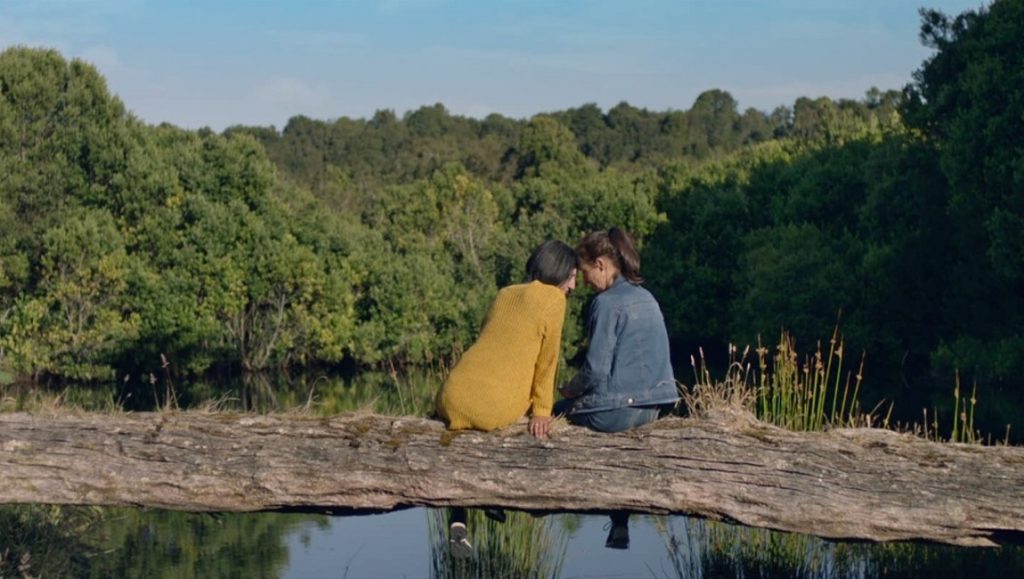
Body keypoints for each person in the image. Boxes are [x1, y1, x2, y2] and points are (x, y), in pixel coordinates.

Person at [437, 239, 577, 558]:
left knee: (463, 433)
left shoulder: (504, 293)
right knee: (504, 419)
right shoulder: (553, 300)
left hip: (452, 393)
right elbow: (547, 361)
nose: (572, 286)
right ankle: (495, 500)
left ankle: (460, 518)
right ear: (558, 273)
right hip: (490, 404)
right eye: (571, 277)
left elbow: (489, 342)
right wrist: (542, 410)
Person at [557, 227, 680, 549]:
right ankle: (620, 521)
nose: (584, 282)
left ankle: (539, 501)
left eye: (585, 272)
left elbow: (595, 370)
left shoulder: (606, 303)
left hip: (616, 411)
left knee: (551, 416)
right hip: (651, 410)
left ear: (600, 264)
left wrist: (569, 390)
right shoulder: (647, 297)